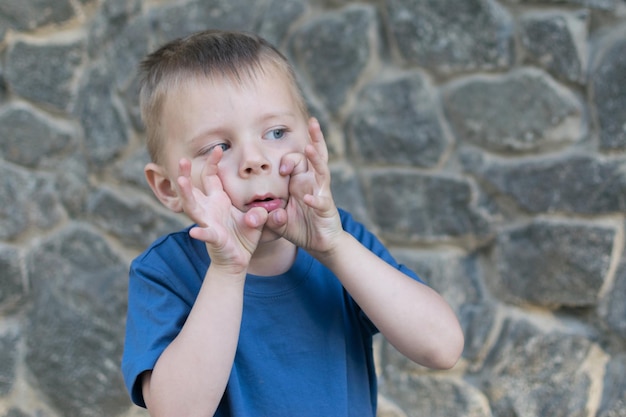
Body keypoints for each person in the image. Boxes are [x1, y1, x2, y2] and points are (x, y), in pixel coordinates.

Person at [121, 29, 464, 417]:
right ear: (168, 187)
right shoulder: (165, 272)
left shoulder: (339, 240)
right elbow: (179, 412)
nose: (256, 160)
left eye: (277, 132)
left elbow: (442, 347)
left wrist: (334, 246)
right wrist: (228, 269)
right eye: (218, 147)